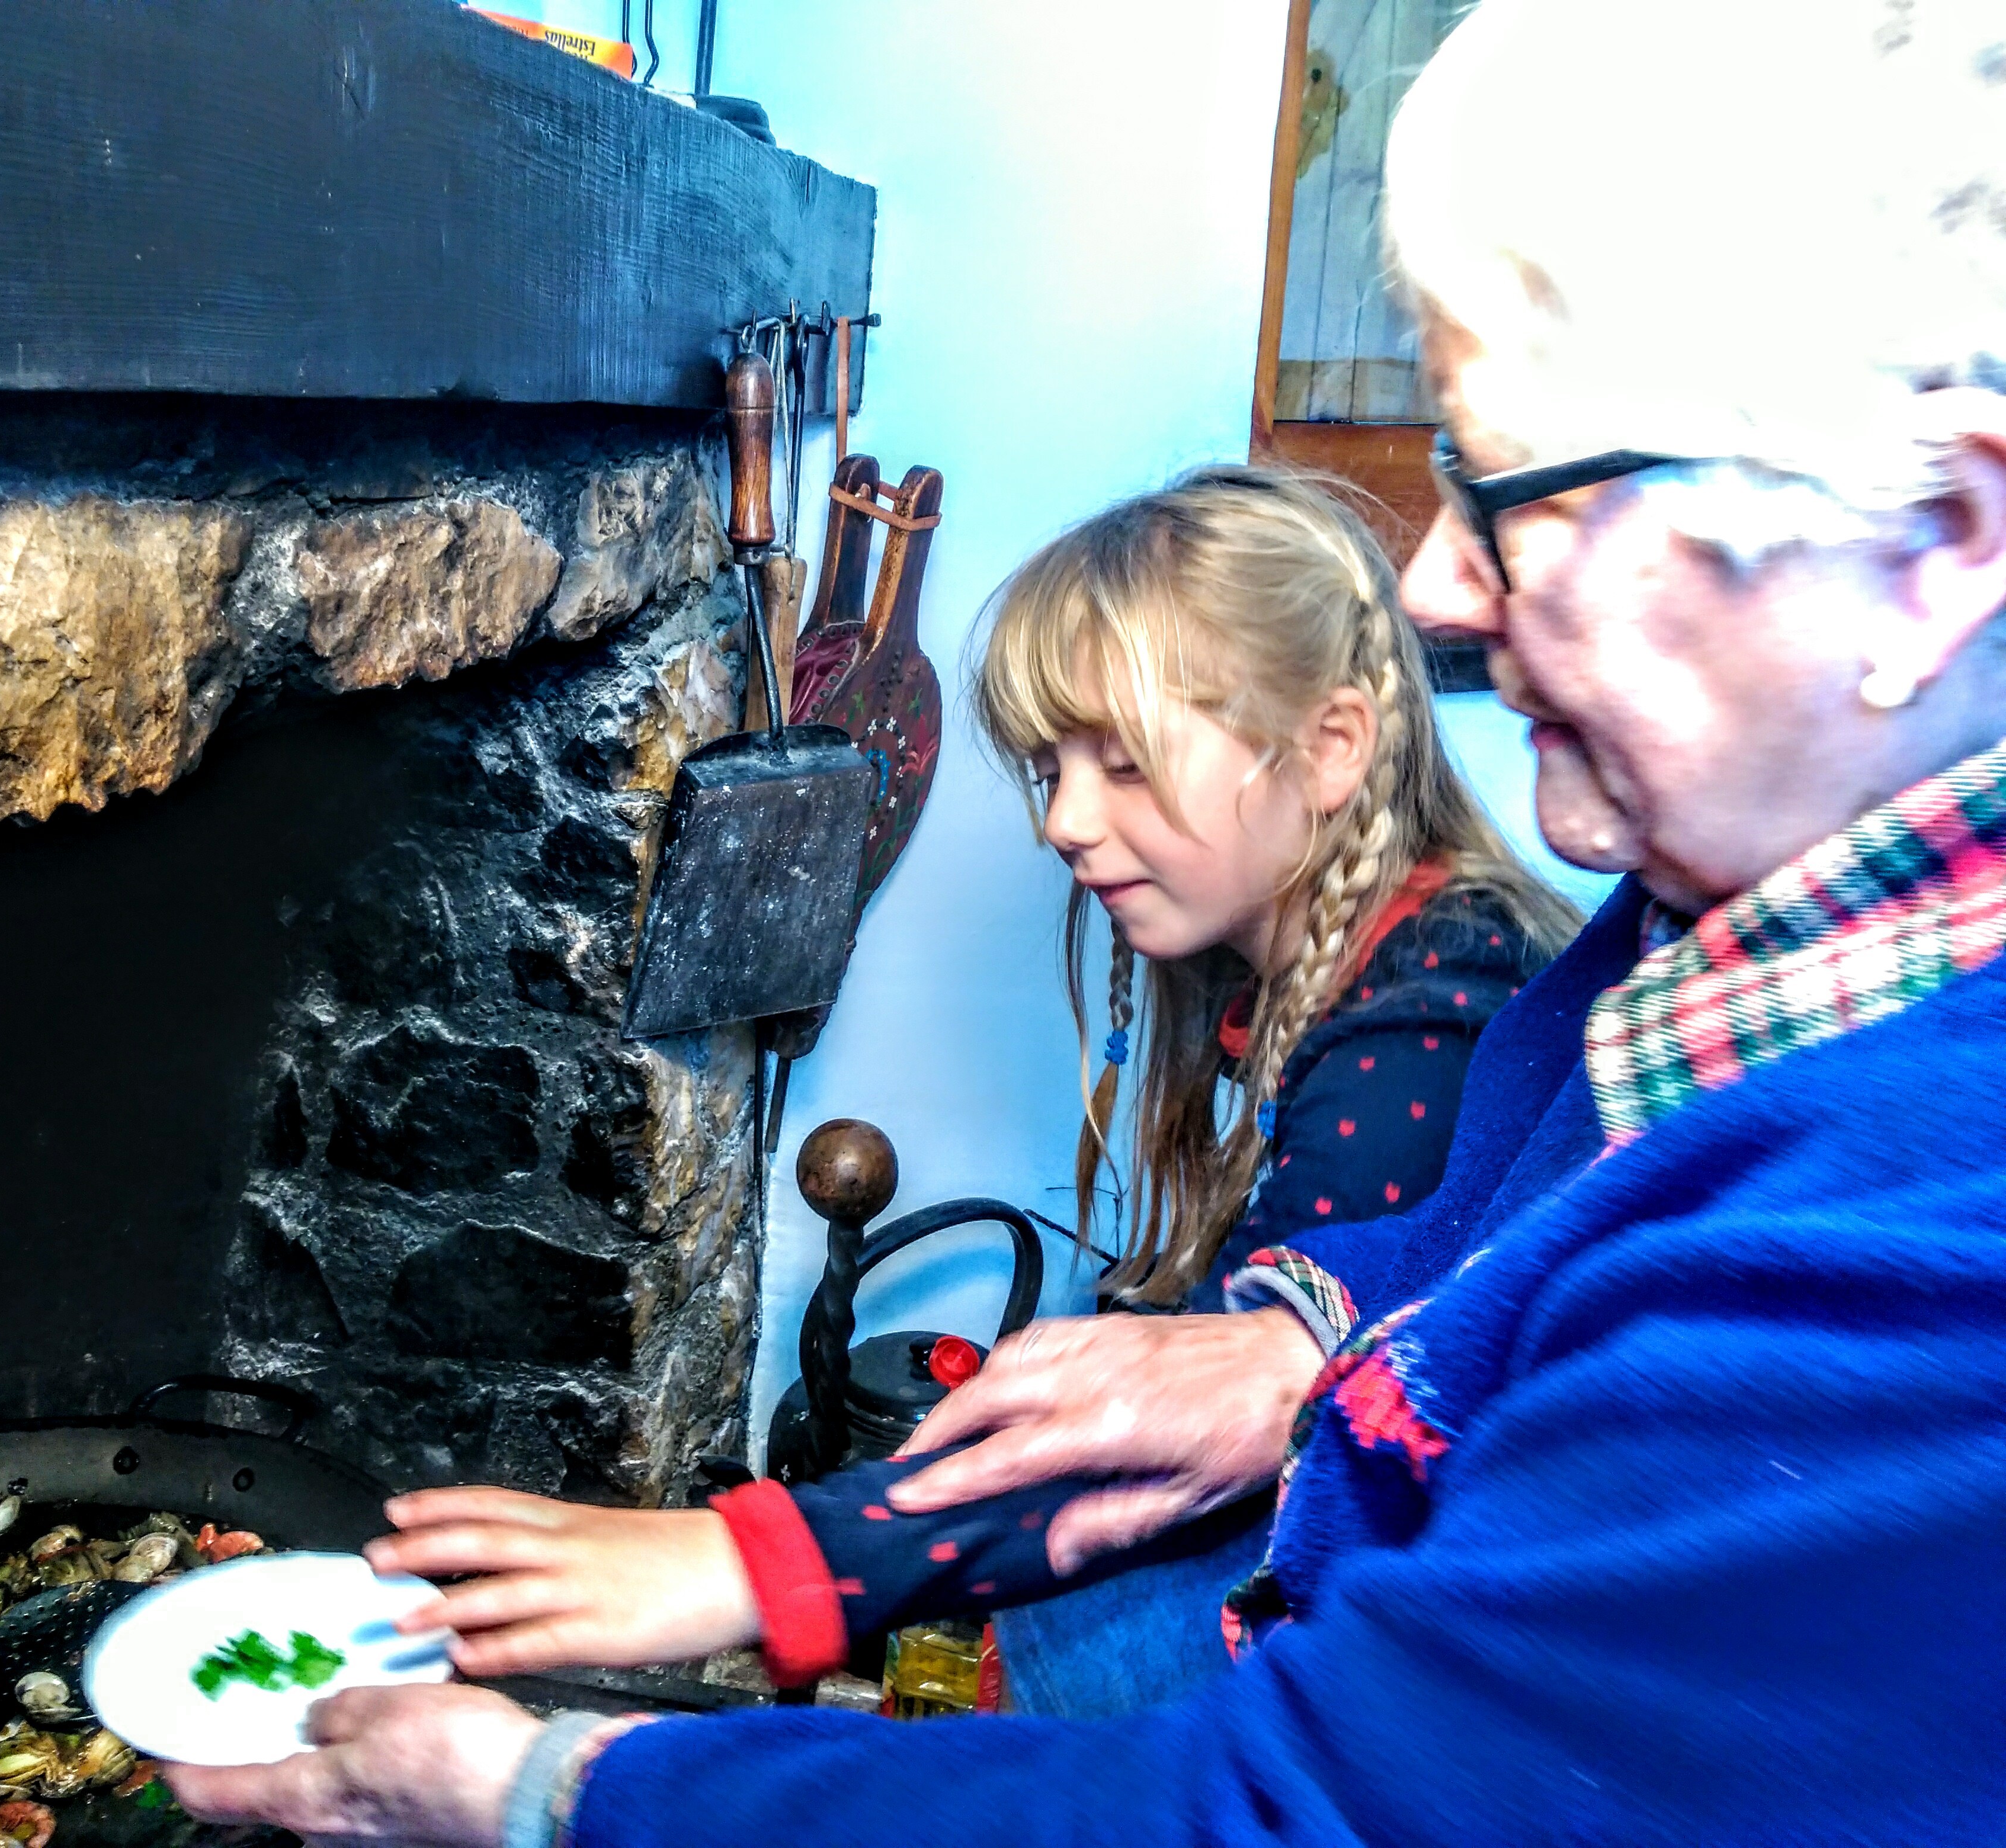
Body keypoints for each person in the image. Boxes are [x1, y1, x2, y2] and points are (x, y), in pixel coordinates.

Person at [165, 1, 2006, 1840]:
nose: (1439, 581)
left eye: (1513, 496)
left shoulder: (1901, 1288)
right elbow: (1488, 1267)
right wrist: (1291, 1350)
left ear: (1940, 542)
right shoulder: (1682, 953)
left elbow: (1282, 1809)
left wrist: (543, 1786)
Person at [341, 466, 1573, 1718]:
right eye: (1051, 769)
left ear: (1332, 748)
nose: (1064, 822)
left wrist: (752, 1564)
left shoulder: (1430, 1021)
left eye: (1123, 765)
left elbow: (1220, 1441)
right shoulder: (1353, 961)